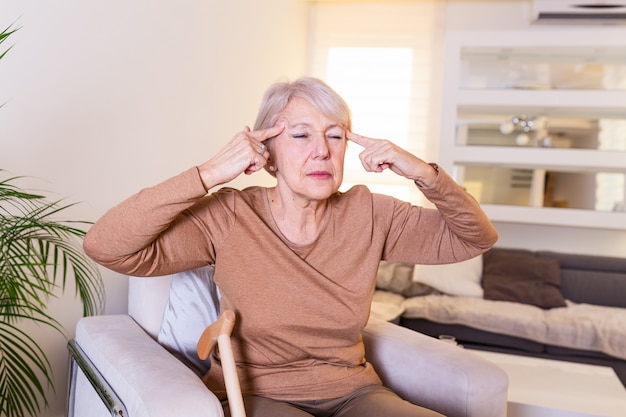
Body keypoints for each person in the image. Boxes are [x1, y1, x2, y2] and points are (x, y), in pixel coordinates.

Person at [84, 76, 498, 417]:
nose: (322, 150)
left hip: (355, 394)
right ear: (268, 156)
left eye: (335, 136)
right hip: (261, 396)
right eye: (300, 135)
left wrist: (423, 173)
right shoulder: (230, 216)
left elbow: (474, 238)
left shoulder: (369, 212)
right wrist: (208, 174)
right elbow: (106, 246)